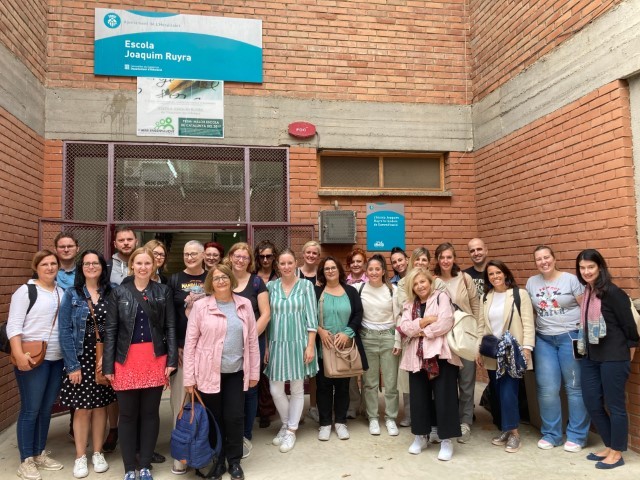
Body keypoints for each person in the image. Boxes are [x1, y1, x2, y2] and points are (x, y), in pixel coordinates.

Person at [103, 247, 177, 480]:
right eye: (139, 263)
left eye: (147, 263)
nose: (143, 267)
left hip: (155, 358)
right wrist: (108, 365)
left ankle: (144, 465)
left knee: (150, 414)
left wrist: (172, 359)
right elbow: (111, 330)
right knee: (127, 415)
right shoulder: (119, 293)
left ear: (153, 266)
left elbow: (170, 327)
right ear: (131, 265)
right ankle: (129, 468)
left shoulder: (163, 291)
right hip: (126, 360)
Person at [183, 264, 260, 480]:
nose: (221, 281)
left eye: (224, 276)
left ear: (231, 279)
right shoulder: (201, 307)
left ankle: (234, 461)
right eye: (216, 278)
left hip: (236, 372)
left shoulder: (244, 304)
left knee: (234, 417)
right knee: (214, 419)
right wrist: (189, 377)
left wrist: (254, 373)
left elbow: (252, 341)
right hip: (208, 372)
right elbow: (190, 344)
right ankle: (218, 460)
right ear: (210, 283)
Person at [575, 249, 639, 469]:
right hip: (591, 357)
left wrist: (626, 358)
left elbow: (630, 330)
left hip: (614, 357)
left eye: (590, 267)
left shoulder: (612, 292)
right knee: (592, 402)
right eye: (582, 268)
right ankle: (610, 444)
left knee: (615, 405)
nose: (586, 271)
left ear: (600, 267)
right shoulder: (588, 292)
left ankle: (617, 452)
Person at [7, 250, 65, 480]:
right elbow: (14, 325)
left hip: (56, 358)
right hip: (31, 358)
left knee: (46, 408)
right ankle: (26, 460)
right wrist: (18, 354)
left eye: (53, 264)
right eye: (44, 264)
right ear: (36, 267)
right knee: (31, 409)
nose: (50, 268)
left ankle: (39, 453)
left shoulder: (61, 291)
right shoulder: (26, 291)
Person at [525, 245, 589, 452]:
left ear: (554, 258)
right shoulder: (532, 282)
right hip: (544, 340)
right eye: (539, 259)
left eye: (546, 257)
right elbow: (531, 312)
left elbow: (585, 308)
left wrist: (585, 337)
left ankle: (577, 436)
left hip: (571, 337)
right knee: (547, 388)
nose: (543, 262)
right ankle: (552, 434)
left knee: (574, 387)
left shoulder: (570, 280)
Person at [59, 250, 115, 478]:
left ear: (102, 267)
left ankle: (98, 453)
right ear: (81, 268)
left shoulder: (111, 292)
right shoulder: (72, 293)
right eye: (86, 263)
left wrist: (108, 357)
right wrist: (72, 365)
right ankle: (80, 456)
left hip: (104, 357)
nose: (91, 266)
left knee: (101, 407)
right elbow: (64, 330)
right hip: (80, 357)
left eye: (95, 263)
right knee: (82, 409)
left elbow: (117, 328)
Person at [398, 267, 462, 461]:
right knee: (418, 398)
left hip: (440, 355)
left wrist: (421, 331)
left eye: (422, 282)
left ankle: (446, 440)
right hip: (416, 357)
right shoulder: (409, 304)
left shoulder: (442, 297)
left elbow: (445, 322)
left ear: (430, 282)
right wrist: (425, 321)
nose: (420, 286)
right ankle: (420, 436)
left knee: (445, 398)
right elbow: (404, 327)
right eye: (415, 284)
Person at [476, 260, 534, 454]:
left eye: (498, 272)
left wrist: (527, 348)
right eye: (491, 274)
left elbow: (528, 323)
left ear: (505, 273)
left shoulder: (519, 294)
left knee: (509, 392)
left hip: (512, 352)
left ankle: (514, 433)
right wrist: (478, 349)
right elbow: (481, 326)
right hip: (493, 352)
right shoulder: (486, 297)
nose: (495, 277)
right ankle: (506, 429)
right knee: (498, 392)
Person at [265, 248, 318, 453]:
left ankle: (291, 430)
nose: (286, 267)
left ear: (296, 263)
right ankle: (287, 423)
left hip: (299, 343)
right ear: (277, 266)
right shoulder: (271, 287)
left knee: (297, 389)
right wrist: (266, 345)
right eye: (282, 263)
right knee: (276, 389)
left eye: (289, 263)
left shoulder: (306, 286)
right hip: (277, 343)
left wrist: (310, 345)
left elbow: (312, 318)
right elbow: (267, 318)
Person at [314, 256, 367, 441]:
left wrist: (348, 332)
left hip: (344, 345)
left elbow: (358, 313)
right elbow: (308, 315)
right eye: (326, 268)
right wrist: (320, 331)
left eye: (333, 267)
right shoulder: (316, 292)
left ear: (339, 270)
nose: (330, 271)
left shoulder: (350, 291)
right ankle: (325, 423)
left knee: (343, 386)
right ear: (323, 272)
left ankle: (341, 422)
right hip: (324, 345)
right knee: (323, 386)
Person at [225, 242, 270, 457]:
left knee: (250, 388)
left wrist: (248, 339)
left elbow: (265, 314)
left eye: (245, 257)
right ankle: (229, 432)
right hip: (226, 345)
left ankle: (245, 435)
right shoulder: (223, 278)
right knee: (229, 386)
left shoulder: (256, 282)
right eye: (237, 256)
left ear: (250, 261)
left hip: (252, 343)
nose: (240, 260)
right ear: (230, 257)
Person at [167, 240, 208, 475]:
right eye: (186, 254)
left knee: (207, 403)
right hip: (183, 351)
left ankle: (202, 454)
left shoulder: (212, 278)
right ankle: (181, 457)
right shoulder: (174, 280)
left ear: (203, 255)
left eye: (194, 253)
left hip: (208, 352)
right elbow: (169, 318)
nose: (189, 257)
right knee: (180, 404)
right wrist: (176, 347)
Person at [434, 242, 479, 444]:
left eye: (449, 257)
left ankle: (465, 422)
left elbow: (476, 306)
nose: (445, 261)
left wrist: (478, 334)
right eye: (442, 257)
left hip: (464, 336)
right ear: (437, 259)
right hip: (443, 338)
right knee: (447, 382)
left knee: (467, 381)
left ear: (454, 259)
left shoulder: (465, 278)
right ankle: (450, 421)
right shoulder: (433, 280)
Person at [103, 226, 138, 454]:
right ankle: (114, 429)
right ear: (115, 243)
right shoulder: (107, 266)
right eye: (122, 240)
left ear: (136, 241)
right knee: (114, 388)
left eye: (129, 239)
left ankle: (139, 440)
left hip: (140, 335)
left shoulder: (143, 262)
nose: (126, 243)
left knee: (138, 389)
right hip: (115, 330)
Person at [359, 254, 400, 437]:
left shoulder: (393, 290)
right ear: (366, 271)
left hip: (389, 337)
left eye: (377, 269)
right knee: (370, 383)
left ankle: (390, 418)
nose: (374, 272)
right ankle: (373, 418)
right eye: (371, 269)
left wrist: (398, 340)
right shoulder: (359, 288)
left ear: (383, 271)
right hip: (367, 338)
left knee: (391, 382)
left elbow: (399, 317)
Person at [253, 240, 279, 428]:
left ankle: (267, 411)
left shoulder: (279, 277)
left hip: (276, 326)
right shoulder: (253, 277)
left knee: (269, 372)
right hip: (257, 325)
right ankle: (255, 408)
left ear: (274, 257)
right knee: (257, 371)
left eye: (268, 256)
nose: (265, 260)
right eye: (262, 256)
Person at [297, 241, 321, 423]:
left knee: (314, 372)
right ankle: (296, 410)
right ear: (303, 254)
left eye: (315, 253)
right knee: (297, 369)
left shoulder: (323, 275)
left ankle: (313, 407)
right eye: (308, 252)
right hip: (298, 327)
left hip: (319, 327)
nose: (311, 255)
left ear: (318, 256)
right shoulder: (294, 273)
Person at [344, 247, 367, 419]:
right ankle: (353, 404)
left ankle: (366, 406)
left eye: (359, 261)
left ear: (364, 263)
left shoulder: (371, 281)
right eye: (353, 262)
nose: (356, 264)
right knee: (350, 371)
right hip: (350, 331)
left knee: (367, 372)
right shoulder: (344, 283)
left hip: (367, 331)